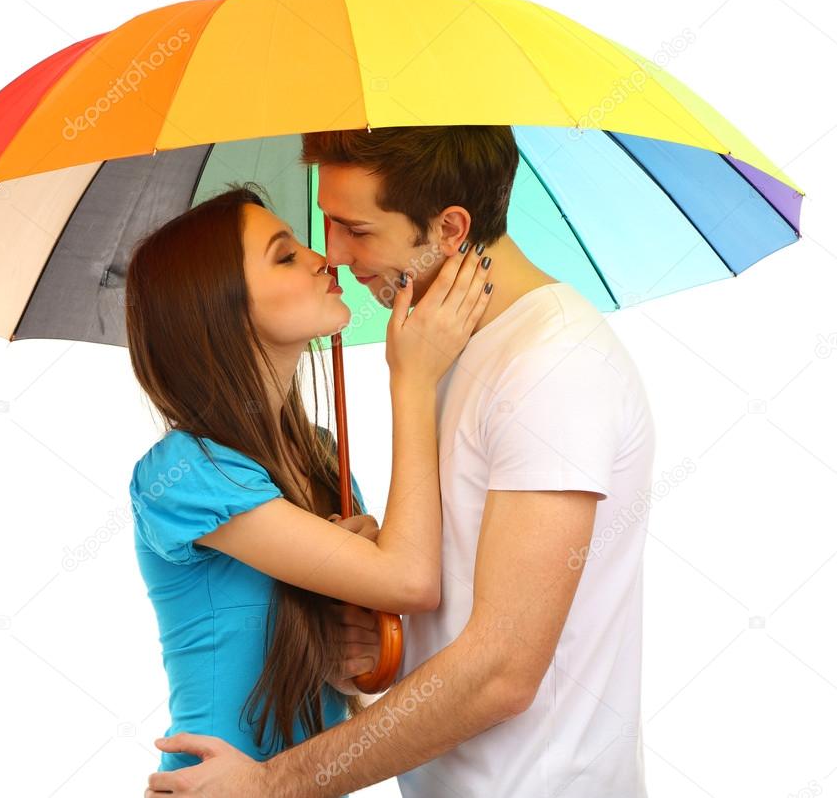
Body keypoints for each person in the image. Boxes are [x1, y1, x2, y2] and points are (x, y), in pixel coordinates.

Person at [145, 125, 657, 798]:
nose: (331, 253)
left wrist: (276, 782)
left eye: (355, 228)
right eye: (323, 224)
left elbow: (501, 666)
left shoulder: (552, 367)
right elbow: (437, 599)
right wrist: (360, 629)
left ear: (449, 229)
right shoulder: (441, 348)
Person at [124, 183, 495, 785]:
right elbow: (411, 579)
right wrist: (413, 380)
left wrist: (362, 654)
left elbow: (377, 636)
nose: (325, 257)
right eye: (285, 254)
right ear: (219, 306)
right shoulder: (185, 473)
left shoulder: (322, 454)